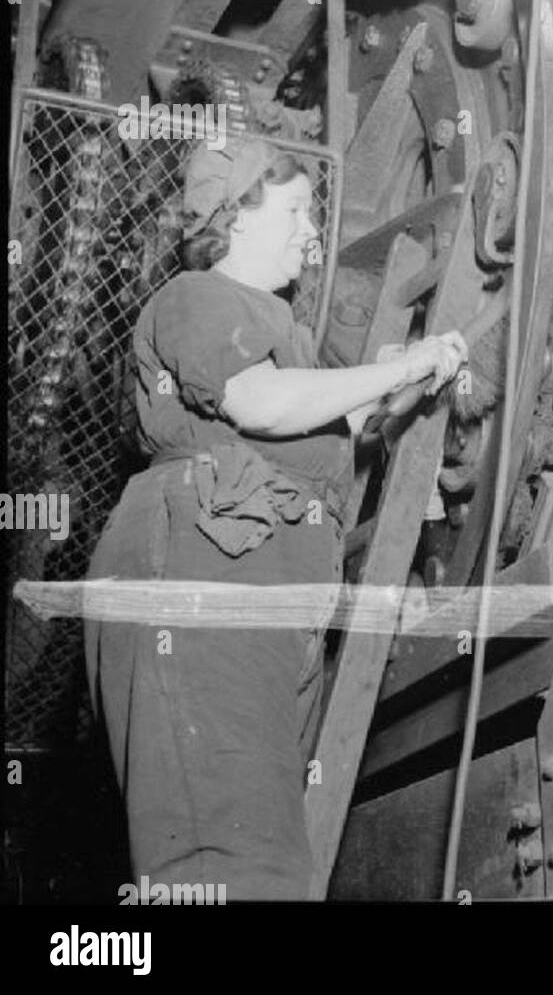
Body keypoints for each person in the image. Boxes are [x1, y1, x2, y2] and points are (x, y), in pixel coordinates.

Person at [85, 137, 468, 899]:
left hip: (259, 591)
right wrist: (398, 366)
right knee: (229, 864)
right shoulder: (198, 297)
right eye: (295, 208)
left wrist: (417, 375)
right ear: (236, 215)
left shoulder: (281, 333)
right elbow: (258, 405)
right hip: (200, 575)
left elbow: (330, 427)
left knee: (266, 858)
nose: (311, 229)